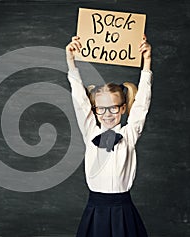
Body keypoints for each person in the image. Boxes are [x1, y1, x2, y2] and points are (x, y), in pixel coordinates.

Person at [66, 35, 152, 237]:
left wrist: (147, 63)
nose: (107, 114)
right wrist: (71, 62)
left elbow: (142, 105)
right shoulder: (91, 132)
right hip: (96, 210)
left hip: (123, 210)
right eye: (101, 109)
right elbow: (79, 101)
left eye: (113, 108)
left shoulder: (129, 134)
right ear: (95, 110)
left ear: (122, 108)